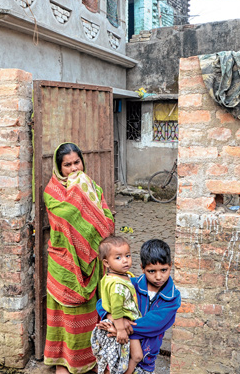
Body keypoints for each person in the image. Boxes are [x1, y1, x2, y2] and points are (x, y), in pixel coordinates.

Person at [43, 142, 115, 374]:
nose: (74, 169)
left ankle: (90, 362)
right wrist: (79, 193)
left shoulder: (92, 186)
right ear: (58, 167)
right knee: (65, 322)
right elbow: (67, 218)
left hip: (90, 265)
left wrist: (85, 192)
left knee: (90, 318)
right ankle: (63, 363)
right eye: (67, 165)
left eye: (77, 162)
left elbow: (106, 222)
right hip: (64, 267)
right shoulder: (51, 193)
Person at [96, 239, 181, 374]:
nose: (159, 277)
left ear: (171, 266)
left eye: (164, 270)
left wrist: (121, 328)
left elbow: (154, 324)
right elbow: (102, 303)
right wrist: (114, 319)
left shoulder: (172, 298)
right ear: (142, 268)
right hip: (119, 350)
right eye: (151, 271)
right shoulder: (131, 285)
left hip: (146, 359)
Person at [91, 236, 143, 374]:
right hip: (119, 325)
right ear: (107, 263)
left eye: (127, 255)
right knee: (120, 360)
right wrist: (120, 329)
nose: (125, 260)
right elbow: (116, 308)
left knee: (130, 357)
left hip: (122, 324)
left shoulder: (122, 276)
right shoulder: (116, 285)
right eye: (118, 258)